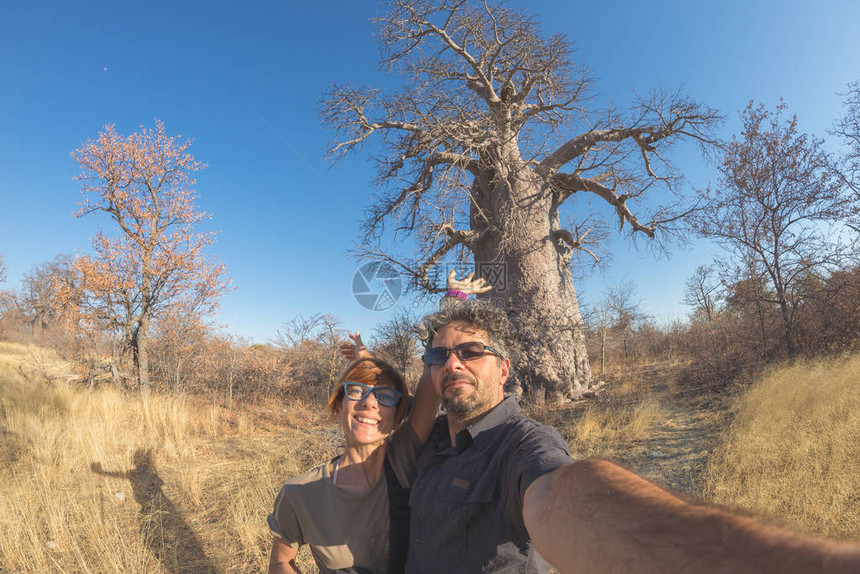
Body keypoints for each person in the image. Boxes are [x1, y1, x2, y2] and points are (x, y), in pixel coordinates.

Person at [407, 299, 860, 573]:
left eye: (471, 352)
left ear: (504, 369)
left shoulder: (524, 445)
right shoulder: (425, 444)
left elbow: (562, 492)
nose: (453, 364)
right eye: (440, 355)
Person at [267, 271, 491, 574]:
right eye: (356, 391)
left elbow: (431, 379)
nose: (370, 403)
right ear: (338, 405)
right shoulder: (300, 492)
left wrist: (452, 303)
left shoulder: (405, 461)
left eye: (385, 397)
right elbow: (282, 559)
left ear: (399, 415)